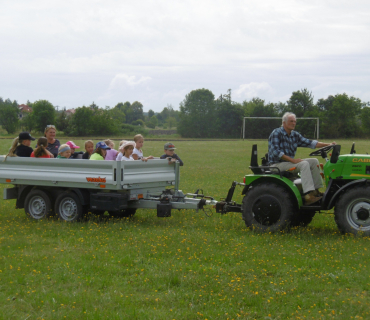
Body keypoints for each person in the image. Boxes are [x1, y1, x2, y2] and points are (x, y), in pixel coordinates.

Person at [268, 112, 335, 205]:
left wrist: (329, 145)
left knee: (313, 161)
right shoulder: (277, 133)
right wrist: (293, 160)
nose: (293, 123)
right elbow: (276, 152)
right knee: (303, 164)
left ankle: (315, 191)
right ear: (284, 123)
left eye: (295, 121)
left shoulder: (294, 135)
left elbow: (311, 143)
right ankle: (308, 196)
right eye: (291, 121)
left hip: (288, 163)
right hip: (277, 164)